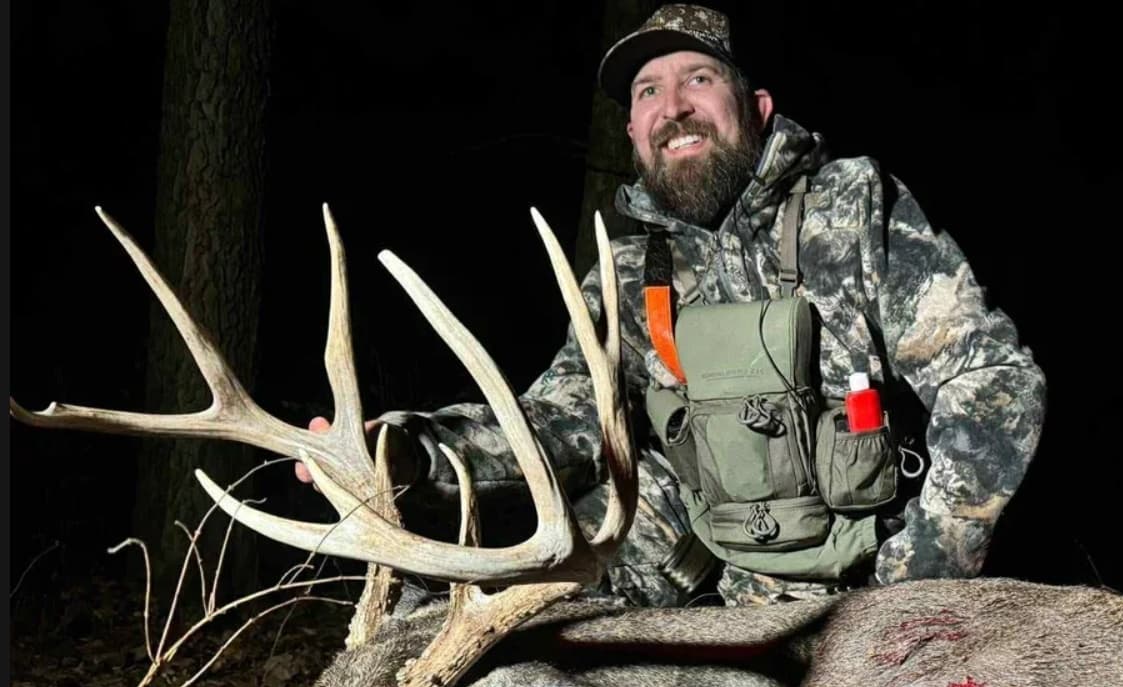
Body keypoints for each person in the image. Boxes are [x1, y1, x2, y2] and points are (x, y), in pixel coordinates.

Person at [299, 3, 1048, 608]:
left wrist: (918, 583)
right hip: (701, 564)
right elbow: (561, 422)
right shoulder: (628, 274)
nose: (674, 107)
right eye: (648, 92)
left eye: (698, 78)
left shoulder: (850, 209)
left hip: (872, 576)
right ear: (633, 133)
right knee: (493, 619)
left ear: (756, 107)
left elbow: (992, 380)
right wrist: (413, 450)